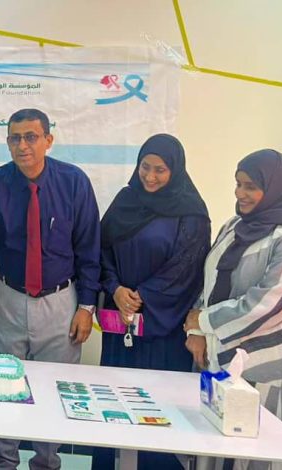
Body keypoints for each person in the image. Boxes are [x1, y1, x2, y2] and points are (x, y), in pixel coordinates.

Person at [0, 108, 101, 470]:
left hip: (60, 302)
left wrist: (87, 307)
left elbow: (89, 248)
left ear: (48, 140)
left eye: (31, 137)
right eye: (15, 138)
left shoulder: (74, 182)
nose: (22, 145)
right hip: (9, 299)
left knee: (54, 389)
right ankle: (4, 462)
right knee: (3, 386)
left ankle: (46, 462)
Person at [183, 149, 282, 470]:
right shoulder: (234, 226)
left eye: (250, 186)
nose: (240, 193)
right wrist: (196, 329)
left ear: (276, 188)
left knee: (263, 452)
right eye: (238, 184)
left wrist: (204, 321)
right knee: (215, 444)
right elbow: (209, 281)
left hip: (268, 365)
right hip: (219, 356)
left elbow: (270, 304)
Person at [91, 134, 210, 470]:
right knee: (114, 404)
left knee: (157, 412)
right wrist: (115, 289)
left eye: (160, 169)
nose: (150, 176)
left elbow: (187, 265)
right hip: (121, 328)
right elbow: (101, 249)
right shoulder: (126, 200)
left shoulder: (192, 213)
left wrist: (143, 295)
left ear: (175, 170)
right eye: (145, 167)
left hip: (163, 331)